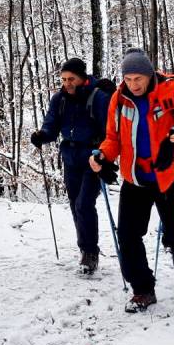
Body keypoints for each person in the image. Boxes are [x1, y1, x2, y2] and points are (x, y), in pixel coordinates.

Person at [91, 49, 174, 311]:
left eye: (138, 78)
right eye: (128, 79)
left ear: (149, 74)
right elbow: (113, 139)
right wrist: (101, 155)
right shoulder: (118, 100)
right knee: (129, 235)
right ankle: (142, 289)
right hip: (135, 178)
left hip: (171, 175)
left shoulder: (173, 92)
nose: (134, 84)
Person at [30, 58, 113, 275]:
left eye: (71, 79)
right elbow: (51, 126)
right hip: (70, 157)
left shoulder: (98, 97)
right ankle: (85, 247)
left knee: (84, 204)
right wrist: (41, 136)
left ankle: (90, 252)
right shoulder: (59, 100)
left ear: (82, 77)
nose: (67, 83)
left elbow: (109, 131)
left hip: (92, 157)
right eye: (64, 79)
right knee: (76, 203)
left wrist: (105, 157)